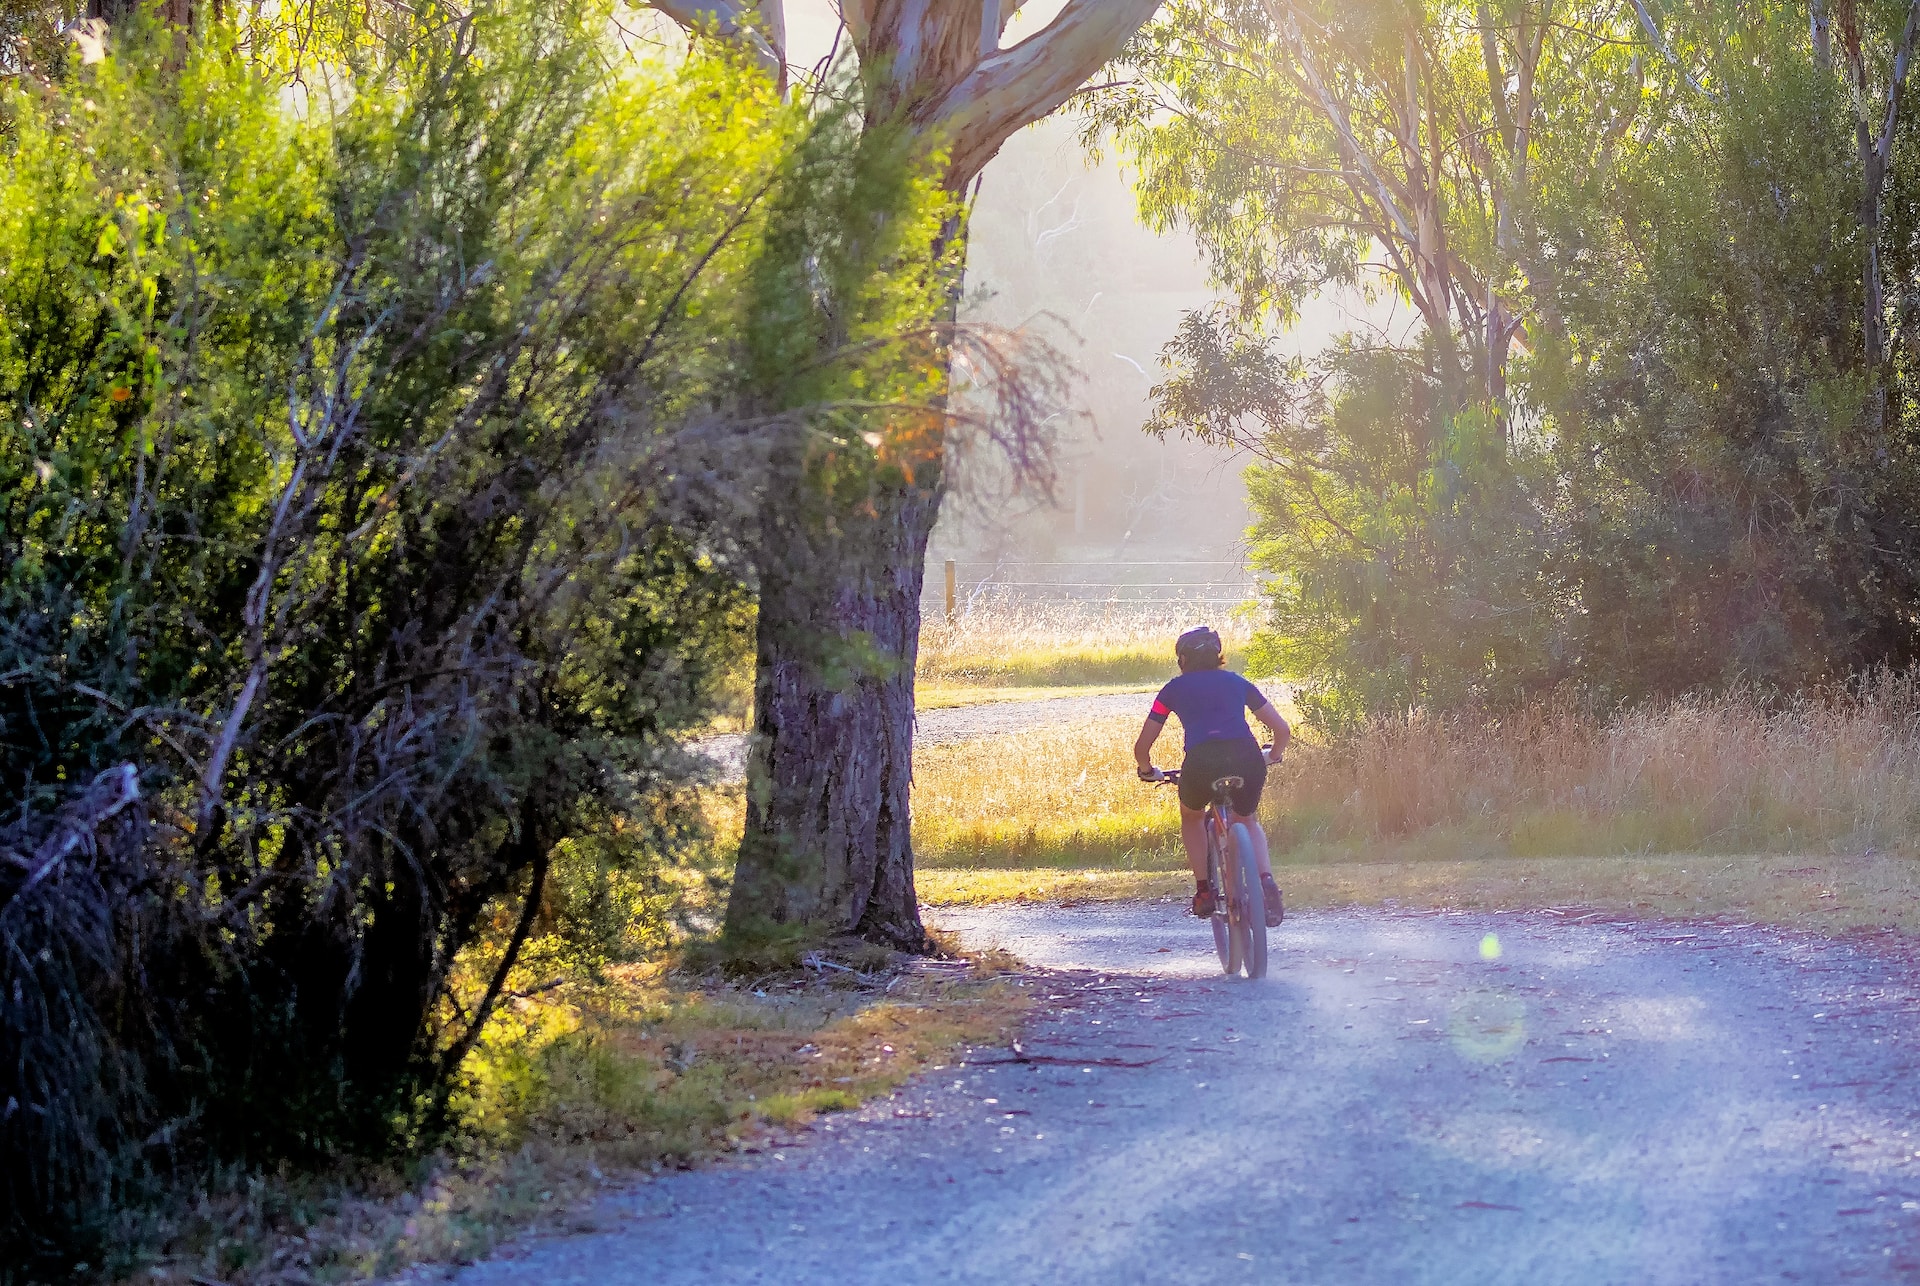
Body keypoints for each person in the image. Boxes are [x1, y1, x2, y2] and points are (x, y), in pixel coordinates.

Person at [1133, 625, 1291, 927]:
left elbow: (1143, 746)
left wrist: (1146, 770)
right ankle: (1267, 882)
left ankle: (1204, 890)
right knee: (1247, 819)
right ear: (1219, 655)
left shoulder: (1172, 690)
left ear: (1182, 660)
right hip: (1246, 757)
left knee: (1192, 817)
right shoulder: (1237, 682)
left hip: (1201, 762)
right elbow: (1282, 730)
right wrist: (1273, 754)